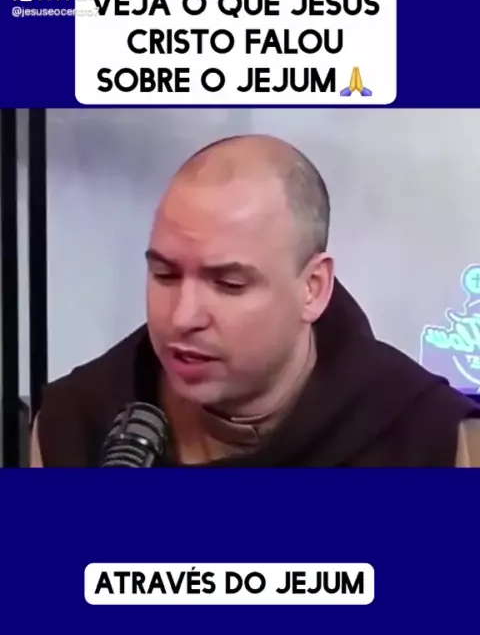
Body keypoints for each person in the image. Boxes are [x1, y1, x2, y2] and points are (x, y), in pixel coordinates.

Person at [30, 134, 480, 467]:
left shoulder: (426, 436)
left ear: (313, 288)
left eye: (228, 284)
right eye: (164, 274)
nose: (183, 317)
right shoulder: (75, 425)